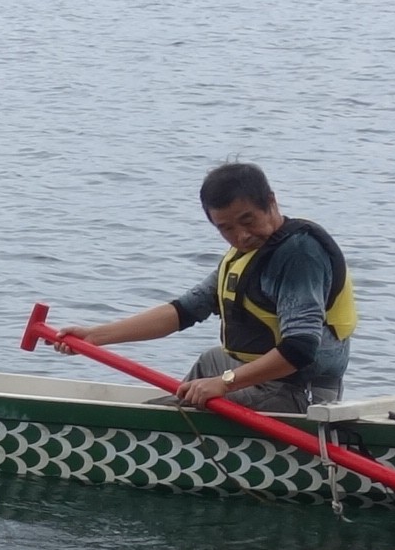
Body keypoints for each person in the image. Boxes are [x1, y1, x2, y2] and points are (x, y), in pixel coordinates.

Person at [62, 162, 357, 415]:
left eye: (248, 220)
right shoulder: (249, 252)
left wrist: (224, 383)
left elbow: (300, 348)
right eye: (226, 228)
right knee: (210, 361)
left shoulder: (299, 255)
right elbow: (184, 311)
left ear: (271, 202)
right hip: (265, 376)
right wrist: (96, 336)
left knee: (173, 411)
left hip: (301, 392)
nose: (241, 236)